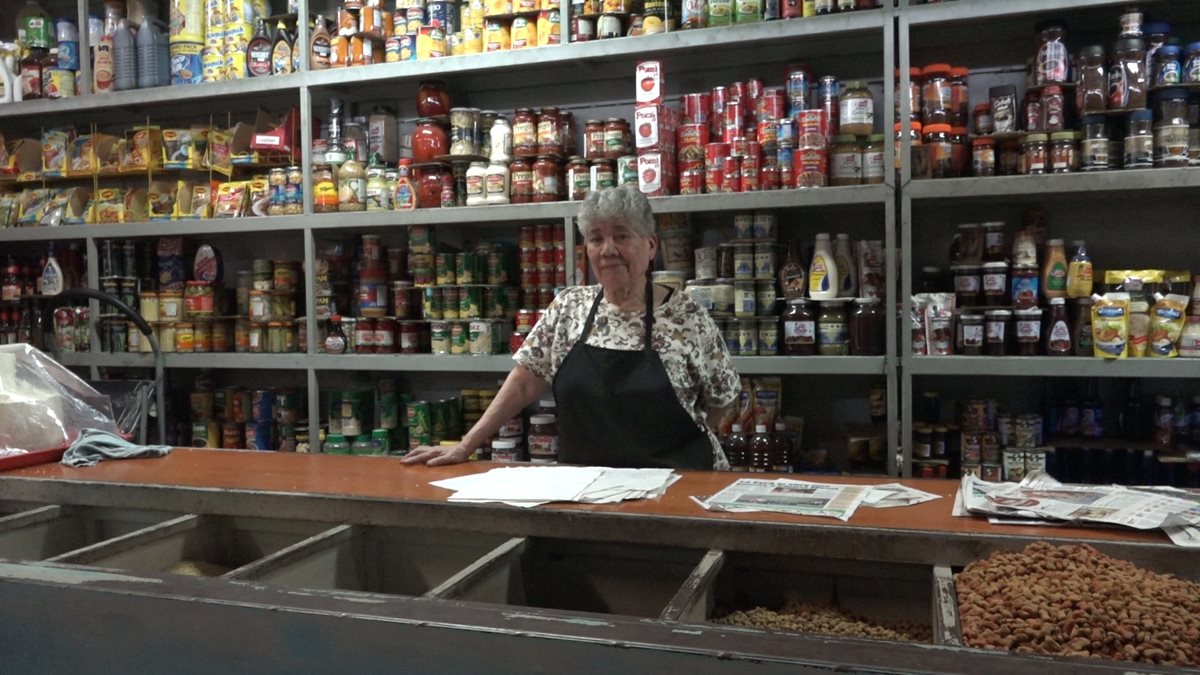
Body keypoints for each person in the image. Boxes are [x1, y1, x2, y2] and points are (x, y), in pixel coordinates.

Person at [402, 185, 740, 469]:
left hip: (675, 485)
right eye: (596, 238)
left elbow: (721, 402)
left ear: (651, 246)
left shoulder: (688, 316)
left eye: (621, 235)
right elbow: (522, 384)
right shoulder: (569, 308)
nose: (608, 250)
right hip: (585, 488)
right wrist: (465, 445)